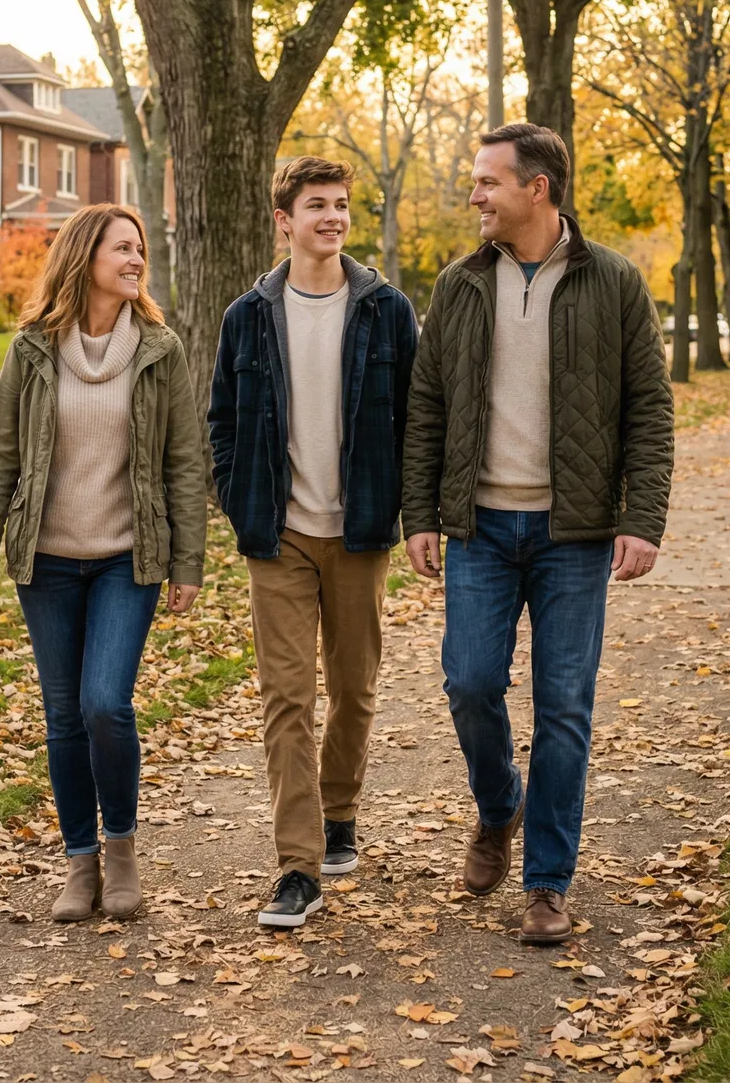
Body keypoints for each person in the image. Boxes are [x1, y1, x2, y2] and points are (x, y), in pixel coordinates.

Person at [400, 123, 674, 945]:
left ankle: (548, 882)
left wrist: (643, 518)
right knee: (470, 683)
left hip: (575, 535)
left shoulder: (615, 283)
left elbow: (650, 409)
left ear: (538, 189)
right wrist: (422, 515)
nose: (475, 196)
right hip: (480, 527)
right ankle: (498, 807)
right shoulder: (459, 285)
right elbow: (427, 407)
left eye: (487, 182)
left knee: (565, 709)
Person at [0, 203, 208, 923]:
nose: (135, 260)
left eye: (140, 249)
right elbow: (0, 456)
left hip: (126, 562)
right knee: (64, 717)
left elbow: (184, 462)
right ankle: (79, 863)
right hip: (45, 561)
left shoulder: (160, 349)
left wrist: (187, 561)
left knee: (107, 705)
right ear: (84, 258)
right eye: (122, 249)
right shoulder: (31, 350)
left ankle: (122, 849)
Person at [209, 157, 418, 929]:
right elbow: (222, 423)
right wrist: (239, 503)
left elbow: (412, 418)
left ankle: (340, 813)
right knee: (286, 698)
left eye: (341, 206)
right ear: (284, 221)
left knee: (355, 689)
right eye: (315, 205)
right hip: (279, 535)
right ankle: (297, 867)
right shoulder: (248, 316)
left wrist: (406, 508)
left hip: (361, 529)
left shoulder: (386, 310)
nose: (331, 217)